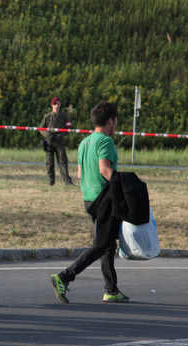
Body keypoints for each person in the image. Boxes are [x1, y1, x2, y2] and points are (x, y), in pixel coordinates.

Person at [49, 101, 129, 304]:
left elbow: (78, 174)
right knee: (101, 245)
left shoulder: (84, 143)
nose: (116, 124)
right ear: (110, 121)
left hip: (89, 199)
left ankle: (111, 289)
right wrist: (124, 188)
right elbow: (104, 169)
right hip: (104, 199)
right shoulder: (106, 142)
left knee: (108, 244)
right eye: (116, 121)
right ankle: (64, 276)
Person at [40, 97, 74, 186]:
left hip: (60, 141)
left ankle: (67, 180)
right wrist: (48, 135)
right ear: (52, 105)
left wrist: (62, 134)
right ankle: (51, 181)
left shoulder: (64, 116)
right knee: (49, 162)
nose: (57, 106)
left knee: (63, 161)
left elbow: (69, 128)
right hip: (50, 142)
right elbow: (41, 129)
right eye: (55, 104)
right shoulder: (47, 117)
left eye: (58, 104)